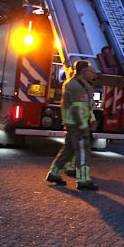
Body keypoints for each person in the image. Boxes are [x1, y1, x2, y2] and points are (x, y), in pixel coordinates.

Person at [45, 60, 99, 191]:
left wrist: (91, 118)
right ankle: (84, 180)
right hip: (77, 125)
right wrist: (83, 126)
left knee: (68, 150)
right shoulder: (77, 87)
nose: (94, 75)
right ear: (83, 71)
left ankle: (54, 173)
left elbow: (85, 107)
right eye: (92, 72)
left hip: (73, 124)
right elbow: (78, 108)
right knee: (83, 151)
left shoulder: (78, 84)